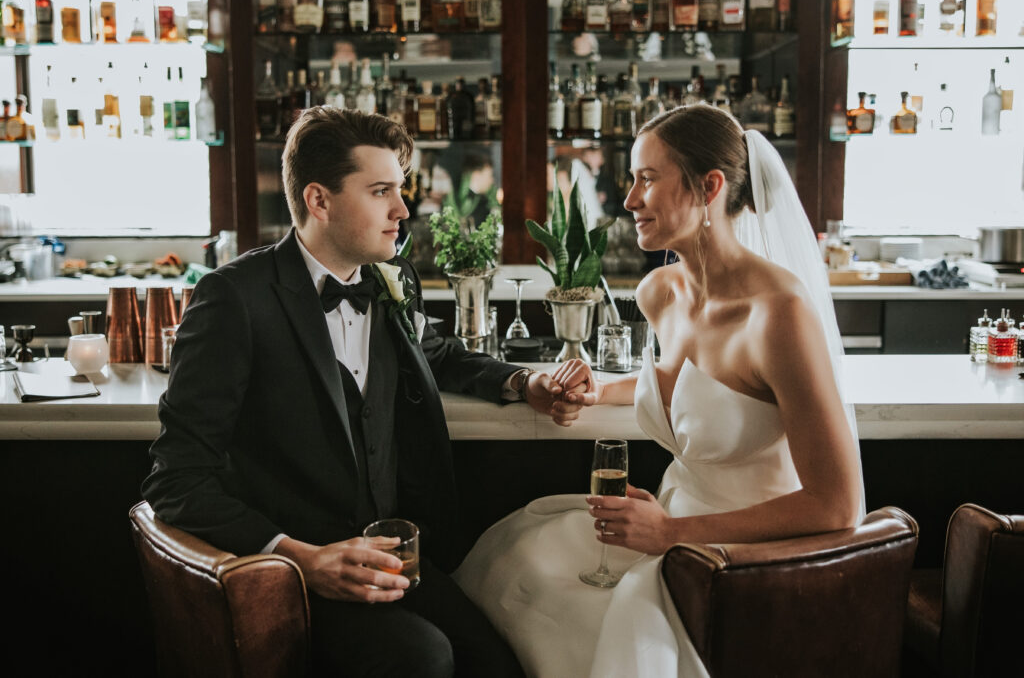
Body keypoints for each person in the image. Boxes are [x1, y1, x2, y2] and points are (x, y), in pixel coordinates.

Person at [142, 107, 586, 677]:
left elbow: (437, 353)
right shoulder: (234, 299)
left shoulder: (388, 279)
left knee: (501, 663)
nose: (403, 210)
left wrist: (525, 381)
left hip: (398, 558)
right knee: (424, 659)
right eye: (381, 191)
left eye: (400, 190)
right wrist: (302, 558)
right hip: (296, 574)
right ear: (318, 200)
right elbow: (176, 479)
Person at [453, 104, 865, 677]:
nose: (628, 199)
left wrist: (673, 534)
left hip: (740, 558)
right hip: (666, 523)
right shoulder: (660, 292)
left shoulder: (779, 313)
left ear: (709, 188)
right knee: (517, 555)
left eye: (647, 178)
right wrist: (598, 388)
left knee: (605, 627)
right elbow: (688, 389)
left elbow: (837, 505)